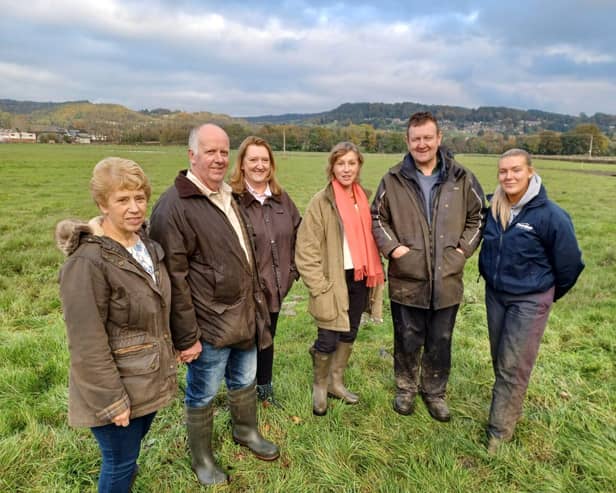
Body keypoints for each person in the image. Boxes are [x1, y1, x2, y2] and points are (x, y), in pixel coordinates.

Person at [149, 124, 279, 486]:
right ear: (191, 155)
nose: (220, 158)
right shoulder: (174, 207)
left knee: (246, 378)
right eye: (211, 151)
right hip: (208, 325)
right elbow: (172, 280)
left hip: (245, 315)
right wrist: (186, 336)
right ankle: (203, 457)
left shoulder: (227, 195)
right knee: (203, 390)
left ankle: (246, 430)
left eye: (224, 151)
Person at [56, 157, 177, 493]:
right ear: (102, 204)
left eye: (140, 198)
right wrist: (112, 400)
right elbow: (86, 342)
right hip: (115, 388)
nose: (135, 208)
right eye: (122, 200)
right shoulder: (88, 262)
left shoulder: (147, 247)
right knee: (119, 463)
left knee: (129, 457)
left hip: (146, 379)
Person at [371, 111, 485, 421]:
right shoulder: (392, 179)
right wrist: (394, 250)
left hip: (447, 276)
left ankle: (435, 392)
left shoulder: (462, 178)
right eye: (416, 138)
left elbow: (479, 216)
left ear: (439, 139)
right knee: (406, 335)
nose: (422, 144)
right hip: (408, 277)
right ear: (407, 141)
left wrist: (462, 250)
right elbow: (377, 217)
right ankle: (406, 387)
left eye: (427, 138)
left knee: (441, 338)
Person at [478, 148, 584, 453]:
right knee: (501, 359)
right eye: (503, 171)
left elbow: (570, 265)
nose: (509, 176)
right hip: (496, 295)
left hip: (530, 300)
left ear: (530, 171)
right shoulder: (494, 208)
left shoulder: (550, 215)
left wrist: (544, 296)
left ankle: (499, 433)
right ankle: (509, 409)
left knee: (513, 366)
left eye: (515, 170)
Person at [296, 141, 385, 416]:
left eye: (351, 163)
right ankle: (320, 386)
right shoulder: (320, 202)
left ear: (359, 166)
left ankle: (336, 381)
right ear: (332, 166)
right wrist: (319, 286)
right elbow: (306, 249)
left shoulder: (363, 199)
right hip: (332, 280)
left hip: (359, 277)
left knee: (350, 332)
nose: (346, 169)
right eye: (340, 163)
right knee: (328, 337)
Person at [229, 136, 301, 406]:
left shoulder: (282, 199)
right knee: (243, 344)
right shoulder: (231, 200)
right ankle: (240, 395)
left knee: (268, 338)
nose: (260, 165)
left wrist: (292, 271)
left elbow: (300, 234)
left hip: (275, 286)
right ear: (242, 165)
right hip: (244, 291)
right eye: (253, 160)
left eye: (265, 160)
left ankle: (264, 390)